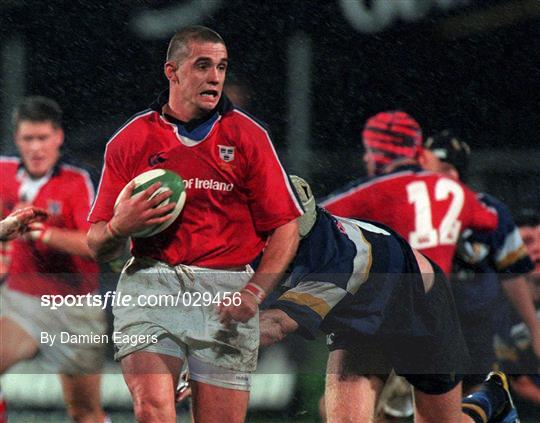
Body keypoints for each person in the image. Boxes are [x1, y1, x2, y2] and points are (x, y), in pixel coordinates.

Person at [87, 26, 302, 423]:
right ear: (172, 72)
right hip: (152, 283)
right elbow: (95, 241)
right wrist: (120, 226)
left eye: (221, 67)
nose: (215, 77)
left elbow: (286, 227)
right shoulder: (131, 140)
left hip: (226, 292)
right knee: (153, 409)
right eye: (202, 65)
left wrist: (255, 292)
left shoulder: (249, 138)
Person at [259, 175, 519, 423]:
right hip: (360, 319)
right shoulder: (264, 234)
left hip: (421, 307)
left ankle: (492, 398)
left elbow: (276, 326)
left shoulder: (338, 261)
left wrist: (223, 326)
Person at [0, 96, 107, 422]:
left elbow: (96, 245)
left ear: (58, 137)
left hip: (76, 310)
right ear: (17, 139)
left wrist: (39, 233)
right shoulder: (3, 171)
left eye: (43, 138)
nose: (36, 147)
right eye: (28, 139)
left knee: (84, 413)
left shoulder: (79, 180)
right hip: (21, 303)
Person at [421, 130, 539, 393]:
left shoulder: (489, 211)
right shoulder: (408, 209)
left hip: (473, 331)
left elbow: (512, 273)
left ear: (454, 172)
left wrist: (533, 326)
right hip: (418, 326)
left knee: (469, 401)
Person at [320, 111, 498, 276]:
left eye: (369, 150)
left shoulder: (378, 188)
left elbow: (314, 213)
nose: (366, 158)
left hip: (395, 297)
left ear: (381, 151)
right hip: (440, 298)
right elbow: (491, 219)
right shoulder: (455, 188)